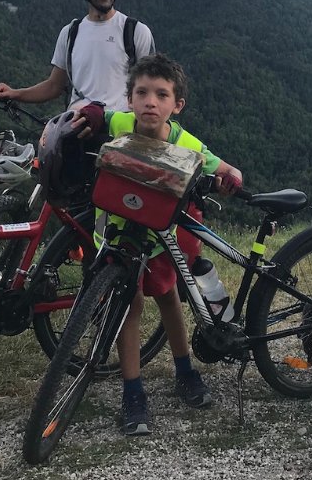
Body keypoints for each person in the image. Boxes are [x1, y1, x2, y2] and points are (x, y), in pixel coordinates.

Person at [75, 53, 244, 436]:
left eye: (162, 95)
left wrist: (231, 174)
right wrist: (89, 113)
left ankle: (184, 369)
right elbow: (99, 113)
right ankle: (133, 393)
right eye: (142, 92)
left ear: (176, 105)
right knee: (127, 307)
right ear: (130, 99)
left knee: (168, 296)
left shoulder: (184, 141)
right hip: (116, 236)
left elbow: (218, 164)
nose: (151, 101)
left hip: (158, 238)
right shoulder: (120, 122)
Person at [0, 0, 154, 111]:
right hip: (76, 126)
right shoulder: (70, 33)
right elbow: (54, 86)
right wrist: (14, 93)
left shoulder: (135, 32)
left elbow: (153, 86)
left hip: (118, 131)